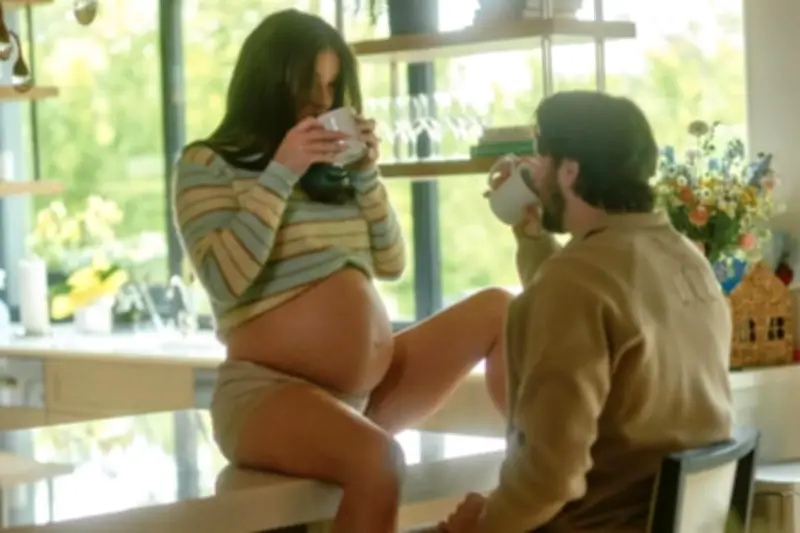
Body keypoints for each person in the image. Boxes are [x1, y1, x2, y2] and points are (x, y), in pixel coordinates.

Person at [171, 9, 511, 533]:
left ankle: (543, 468)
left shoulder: (334, 176)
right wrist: (281, 172)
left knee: (501, 310)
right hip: (265, 395)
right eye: (310, 85)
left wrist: (367, 176)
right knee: (379, 462)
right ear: (269, 82)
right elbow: (225, 279)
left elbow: (392, 263)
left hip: (359, 398)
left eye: (332, 87)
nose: (322, 102)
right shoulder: (207, 164)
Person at [436, 91, 734, 533]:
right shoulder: (687, 259)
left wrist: (481, 527)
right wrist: (532, 236)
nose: (535, 174)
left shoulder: (572, 284)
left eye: (541, 159)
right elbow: (583, 300)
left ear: (570, 171)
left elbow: (550, 478)